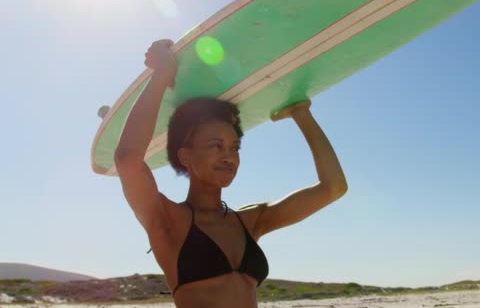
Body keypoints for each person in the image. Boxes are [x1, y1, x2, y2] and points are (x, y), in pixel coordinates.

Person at [114, 39, 348, 308]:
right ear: (185, 156)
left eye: (234, 147)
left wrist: (301, 114)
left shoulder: (250, 221)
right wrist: (162, 73)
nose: (229, 156)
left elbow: (333, 187)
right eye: (216, 146)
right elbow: (127, 159)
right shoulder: (167, 219)